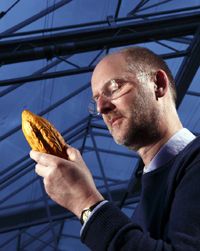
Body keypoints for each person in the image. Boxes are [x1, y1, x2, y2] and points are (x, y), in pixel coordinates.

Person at [30, 46, 200, 250]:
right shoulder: (139, 214)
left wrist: (86, 203)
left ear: (158, 84)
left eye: (113, 88)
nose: (101, 107)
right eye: (96, 99)